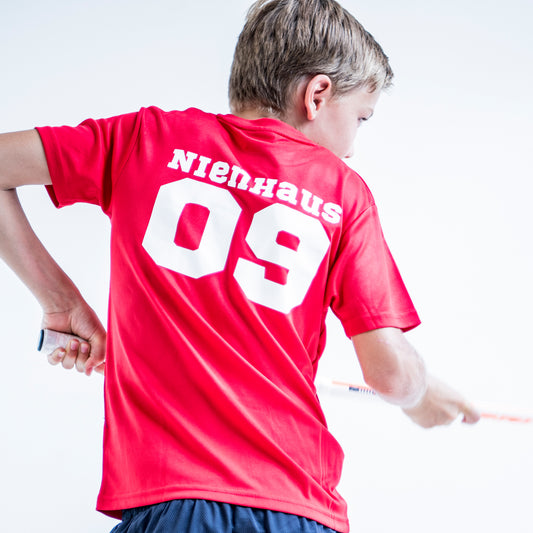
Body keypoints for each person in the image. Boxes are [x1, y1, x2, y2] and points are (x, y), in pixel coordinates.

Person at [0, 0, 480, 532]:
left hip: (173, 504)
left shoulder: (144, 139)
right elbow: (389, 372)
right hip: (296, 508)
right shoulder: (342, 194)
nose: (352, 151)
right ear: (317, 95)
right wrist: (420, 395)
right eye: (360, 118)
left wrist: (62, 303)